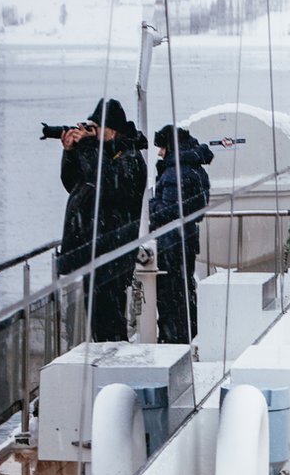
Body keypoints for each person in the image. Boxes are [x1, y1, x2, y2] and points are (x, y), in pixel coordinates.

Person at [57, 98, 148, 342]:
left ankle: (115, 369)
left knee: (109, 321)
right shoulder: (104, 156)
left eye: (95, 128)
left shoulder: (129, 158)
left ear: (111, 129)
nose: (91, 133)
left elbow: (107, 185)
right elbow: (74, 185)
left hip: (113, 252)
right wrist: (70, 153)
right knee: (98, 321)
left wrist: (87, 147)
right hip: (95, 251)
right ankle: (109, 365)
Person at [149, 125, 213, 344]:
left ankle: (173, 338)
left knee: (170, 293)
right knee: (184, 290)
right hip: (186, 239)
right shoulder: (194, 167)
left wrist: (151, 205)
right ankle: (186, 332)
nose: (159, 153)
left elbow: (168, 211)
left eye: (162, 147)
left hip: (171, 244)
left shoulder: (175, 172)